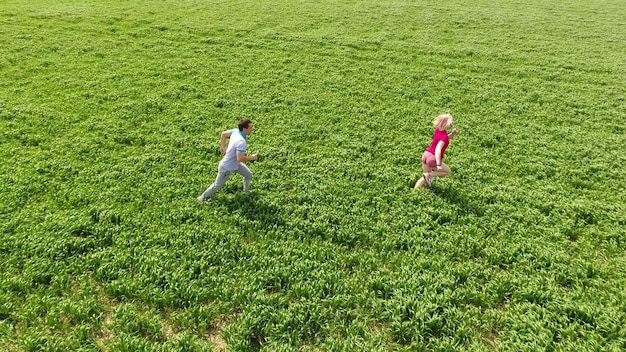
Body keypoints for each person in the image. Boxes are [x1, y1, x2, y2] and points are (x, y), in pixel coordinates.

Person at [197, 119, 258, 202]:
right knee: (217, 186)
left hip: (235, 165)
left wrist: (222, 146)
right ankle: (202, 198)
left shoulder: (235, 131)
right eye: (250, 127)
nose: (252, 129)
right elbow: (240, 158)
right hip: (227, 167)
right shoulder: (241, 141)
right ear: (244, 129)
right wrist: (252, 158)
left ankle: (246, 191)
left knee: (248, 175)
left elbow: (223, 134)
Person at [414, 113, 458, 189]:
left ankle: (415, 192)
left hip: (426, 154)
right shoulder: (444, 137)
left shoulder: (438, 130)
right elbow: (438, 148)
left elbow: (441, 139)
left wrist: (451, 135)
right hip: (432, 158)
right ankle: (430, 175)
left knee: (425, 176)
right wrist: (438, 164)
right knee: (447, 171)